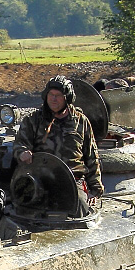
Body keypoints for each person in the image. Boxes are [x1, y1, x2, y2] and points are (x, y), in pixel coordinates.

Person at [13, 75, 103, 215]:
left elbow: (91, 156)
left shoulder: (81, 121)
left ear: (67, 98)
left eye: (58, 96)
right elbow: (19, 144)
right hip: (39, 179)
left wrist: (95, 190)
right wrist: (22, 152)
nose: (53, 99)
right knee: (21, 211)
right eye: (51, 95)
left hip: (72, 181)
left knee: (80, 210)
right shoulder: (33, 120)